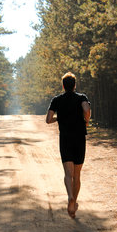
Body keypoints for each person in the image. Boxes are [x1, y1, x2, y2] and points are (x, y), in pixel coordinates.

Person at [46, 72, 91, 219]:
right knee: (77, 175)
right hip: (79, 139)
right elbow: (86, 109)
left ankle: (70, 196)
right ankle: (74, 202)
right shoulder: (81, 97)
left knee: (68, 174)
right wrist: (86, 119)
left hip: (65, 139)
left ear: (63, 85)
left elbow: (48, 119)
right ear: (75, 85)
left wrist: (60, 118)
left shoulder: (57, 100)